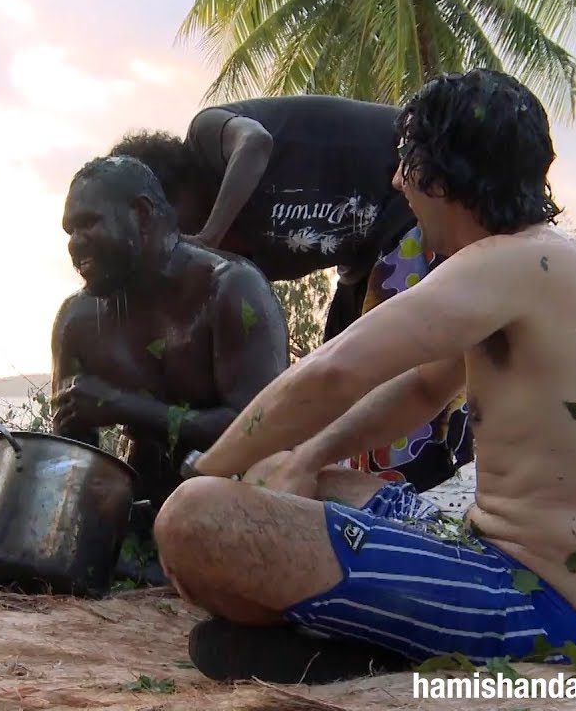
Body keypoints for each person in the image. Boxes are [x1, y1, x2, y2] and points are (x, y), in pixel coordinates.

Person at [153, 70, 576, 684]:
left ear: (443, 175)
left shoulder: (507, 264)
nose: (397, 181)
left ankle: (345, 658)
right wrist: (307, 456)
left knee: (192, 518)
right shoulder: (556, 263)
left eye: (405, 162)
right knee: (295, 477)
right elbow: (423, 388)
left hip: (539, 612)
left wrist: (205, 469)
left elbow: (335, 370)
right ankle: (346, 644)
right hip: (523, 577)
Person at [111, 95, 471, 494]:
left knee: (388, 385)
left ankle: (422, 518)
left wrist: (209, 235)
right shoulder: (232, 259)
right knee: (340, 405)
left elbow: (255, 143)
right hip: (362, 265)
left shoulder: (208, 136)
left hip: (412, 217)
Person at [50, 155, 290, 584]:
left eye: (89, 223)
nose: (75, 243)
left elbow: (262, 429)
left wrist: (123, 406)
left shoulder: (231, 290)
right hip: (140, 520)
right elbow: (68, 461)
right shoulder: (78, 321)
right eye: (70, 231)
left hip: (237, 507)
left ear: (141, 215)